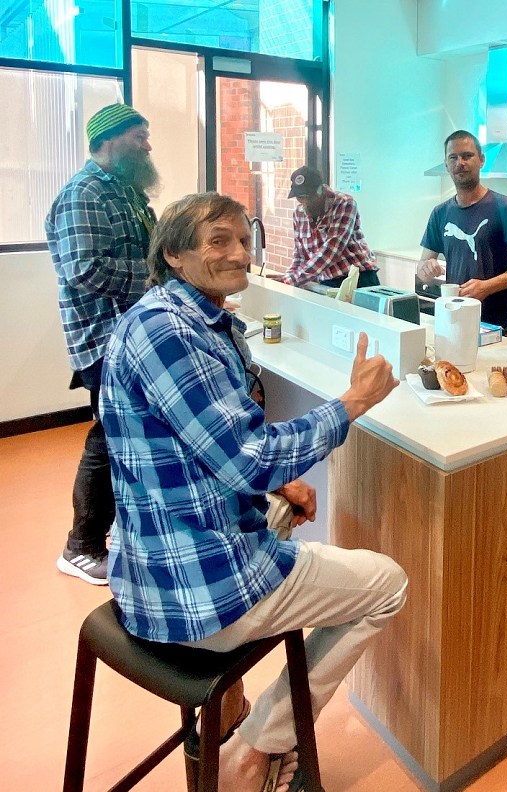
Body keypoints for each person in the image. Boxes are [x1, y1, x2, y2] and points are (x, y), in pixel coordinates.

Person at [99, 192, 407, 792]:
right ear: (174, 254)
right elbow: (245, 457)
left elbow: (206, 446)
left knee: (283, 508)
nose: (239, 252)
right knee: (387, 584)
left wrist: (276, 480)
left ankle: (231, 705)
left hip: (146, 560)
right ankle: (252, 747)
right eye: (219, 241)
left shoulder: (163, 318)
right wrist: (353, 404)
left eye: (244, 238)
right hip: (196, 589)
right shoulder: (175, 335)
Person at [46, 103, 158, 585]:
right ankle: (81, 547)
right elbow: (85, 270)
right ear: (108, 141)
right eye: (139, 137)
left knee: (125, 436)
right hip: (103, 338)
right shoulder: (84, 194)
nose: (148, 145)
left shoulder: (126, 193)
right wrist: (157, 282)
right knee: (109, 440)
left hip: (129, 334)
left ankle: (110, 533)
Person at [416, 130, 507, 339]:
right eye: (453, 157)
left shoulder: (503, 206)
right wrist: (425, 268)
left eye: (467, 156)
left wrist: (487, 287)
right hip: (455, 324)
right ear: (446, 164)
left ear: (481, 160)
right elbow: (422, 266)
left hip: (499, 329)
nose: (460, 162)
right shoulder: (440, 212)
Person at [275, 165, 380, 289]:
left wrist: (293, 279)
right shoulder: (298, 213)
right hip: (326, 281)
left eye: (307, 196)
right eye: (299, 197)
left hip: (359, 279)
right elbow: (300, 255)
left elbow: (331, 250)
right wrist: (288, 278)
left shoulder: (344, 204)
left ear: (320, 190)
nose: (303, 202)